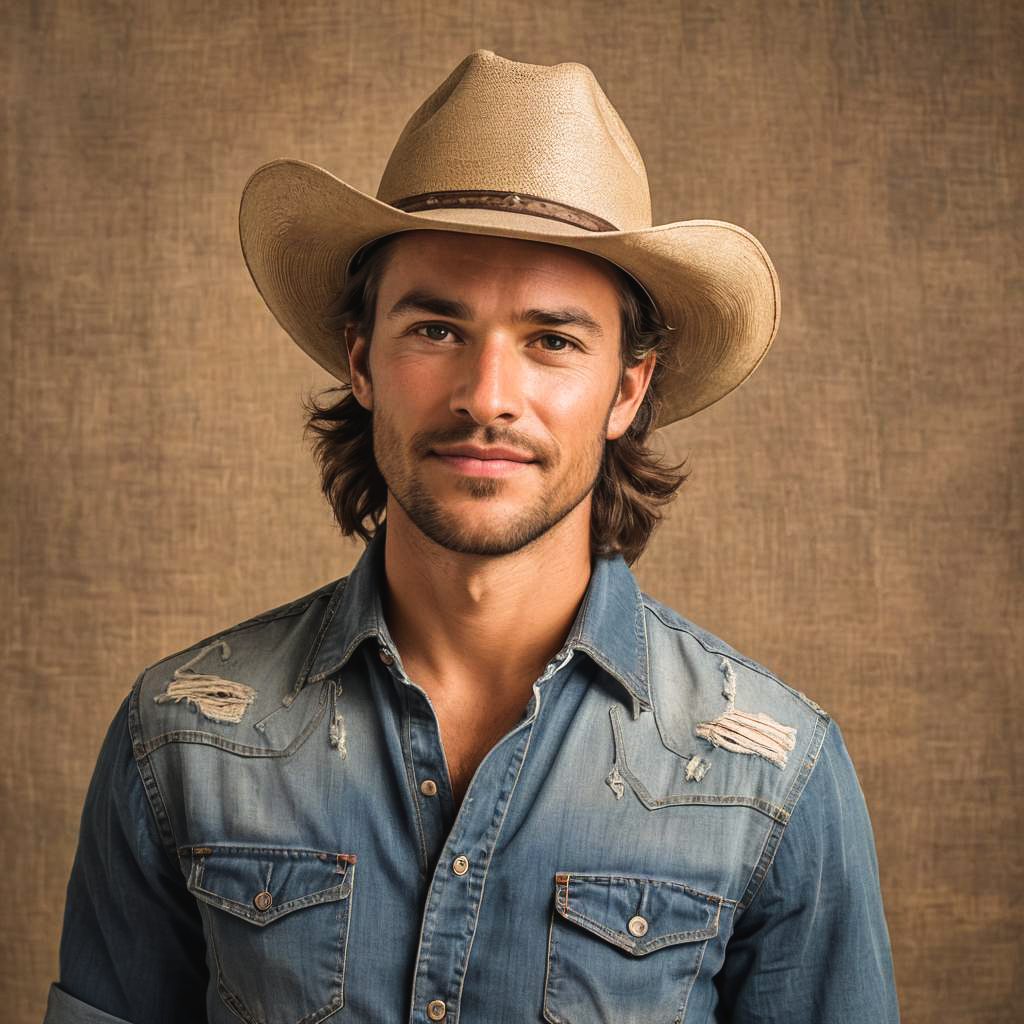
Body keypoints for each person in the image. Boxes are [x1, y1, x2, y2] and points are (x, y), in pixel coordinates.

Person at [45, 50, 899, 1024]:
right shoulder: (182, 739)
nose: (488, 397)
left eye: (552, 340)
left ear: (627, 387)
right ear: (362, 359)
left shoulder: (775, 777)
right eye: (438, 329)